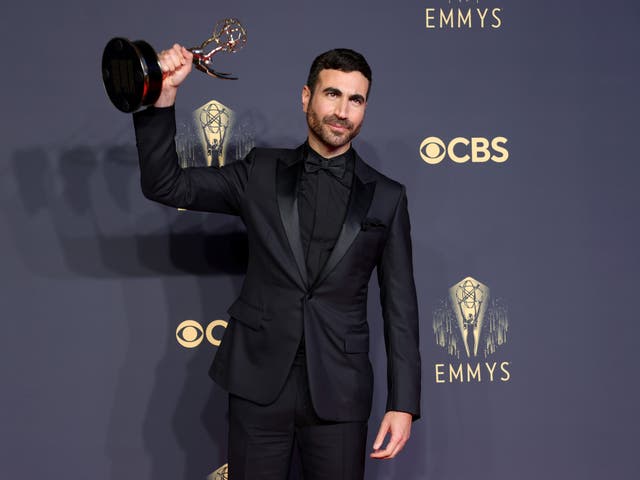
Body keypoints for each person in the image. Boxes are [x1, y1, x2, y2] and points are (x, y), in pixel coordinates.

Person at [133, 44, 421, 480]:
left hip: (339, 392)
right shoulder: (260, 171)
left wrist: (403, 404)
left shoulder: (387, 196)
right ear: (306, 96)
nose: (342, 111)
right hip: (257, 382)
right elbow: (166, 185)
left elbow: (400, 308)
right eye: (332, 94)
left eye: (355, 99)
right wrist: (163, 97)